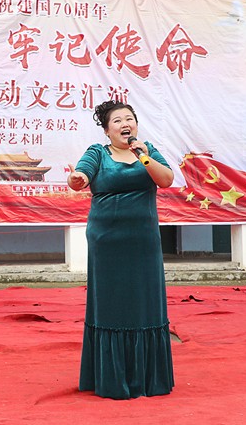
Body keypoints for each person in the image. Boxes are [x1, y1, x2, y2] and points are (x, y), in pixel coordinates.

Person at [67, 100, 175, 400]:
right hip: (107, 242)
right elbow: (81, 176)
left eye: (129, 119)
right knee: (112, 305)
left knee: (144, 303)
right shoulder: (97, 153)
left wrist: (144, 157)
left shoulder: (147, 151)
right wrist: (78, 178)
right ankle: (112, 377)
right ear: (107, 130)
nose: (125, 124)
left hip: (144, 242)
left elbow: (166, 180)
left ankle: (147, 378)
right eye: (117, 121)